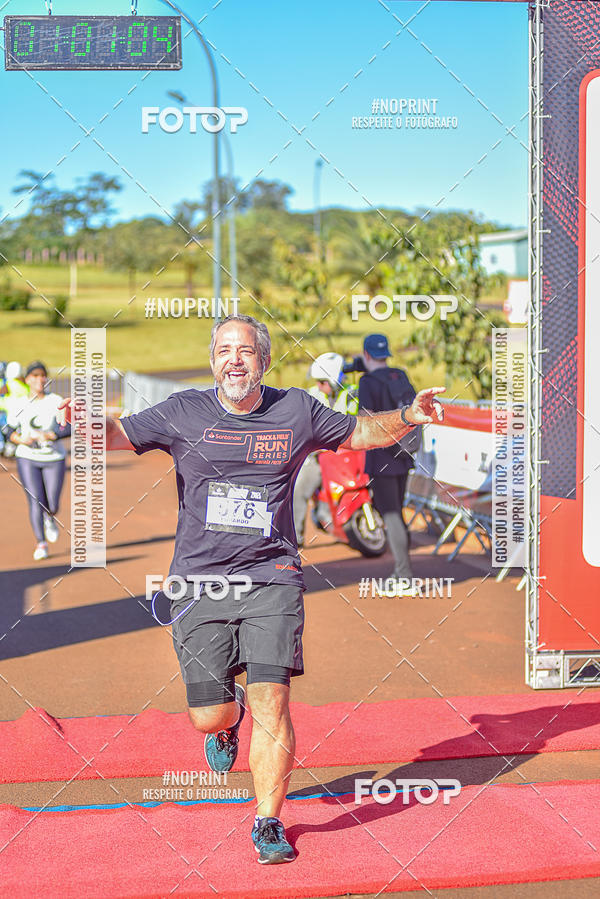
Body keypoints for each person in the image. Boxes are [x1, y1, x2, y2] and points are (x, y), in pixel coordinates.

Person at [62, 314, 444, 865]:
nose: (234, 358)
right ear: (213, 358)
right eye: (224, 349)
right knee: (208, 716)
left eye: (245, 349)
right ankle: (226, 720)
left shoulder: (295, 409)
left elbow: (359, 432)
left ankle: (268, 820)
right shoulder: (184, 411)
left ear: (263, 359)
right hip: (200, 583)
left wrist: (409, 415)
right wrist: (88, 423)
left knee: (275, 700)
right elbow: (121, 435)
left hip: (273, 576)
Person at [358, 334, 421, 597]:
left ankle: (404, 576)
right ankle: (401, 571)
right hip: (404, 455)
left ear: (367, 355)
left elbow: (363, 419)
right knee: (397, 512)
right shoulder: (400, 375)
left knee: (391, 513)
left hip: (381, 455)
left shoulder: (367, 382)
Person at [6, 361, 70, 560]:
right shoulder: (18, 403)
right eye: (34, 376)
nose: (39, 379)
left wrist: (53, 435)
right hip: (27, 457)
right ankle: (41, 543)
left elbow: (67, 427)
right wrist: (19, 439)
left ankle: (50, 518)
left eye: (42, 375)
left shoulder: (56, 401)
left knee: (51, 504)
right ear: (27, 380)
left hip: (54, 458)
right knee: (35, 501)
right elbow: (7, 430)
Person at [292, 352, 358, 545]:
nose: (319, 386)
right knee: (299, 489)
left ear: (335, 379)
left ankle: (350, 527)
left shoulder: (353, 393)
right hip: (319, 458)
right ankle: (296, 537)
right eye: (318, 382)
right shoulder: (312, 395)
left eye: (323, 381)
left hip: (346, 457)